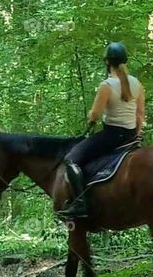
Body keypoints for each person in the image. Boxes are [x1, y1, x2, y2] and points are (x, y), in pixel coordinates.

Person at [59, 42, 145, 221]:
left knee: (71, 159)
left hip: (111, 136)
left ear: (107, 63)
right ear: (124, 61)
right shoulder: (137, 83)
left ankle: (80, 203)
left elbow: (95, 115)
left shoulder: (106, 85)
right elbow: (140, 114)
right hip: (130, 136)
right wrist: (137, 134)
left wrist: (91, 117)